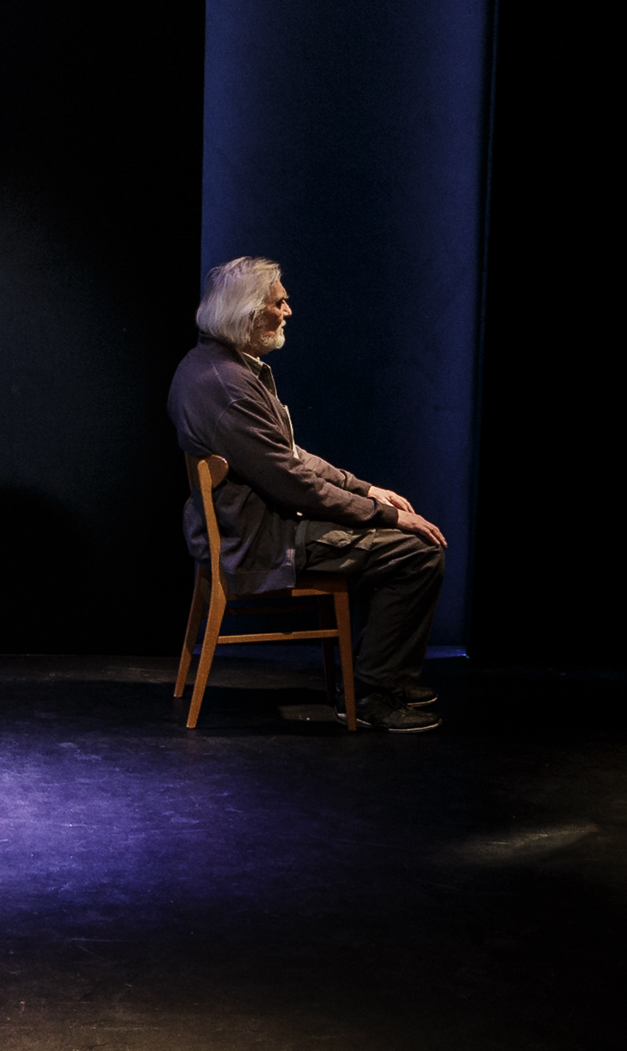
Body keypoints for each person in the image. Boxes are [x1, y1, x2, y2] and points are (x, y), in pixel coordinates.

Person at [166, 256, 446, 731]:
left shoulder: (215, 365)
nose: (288, 311)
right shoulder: (228, 387)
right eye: (278, 303)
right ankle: (370, 693)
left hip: (260, 522)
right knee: (416, 553)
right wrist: (384, 515)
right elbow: (294, 483)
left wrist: (365, 489)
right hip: (261, 539)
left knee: (401, 544)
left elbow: (290, 456)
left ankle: (385, 675)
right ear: (247, 314)